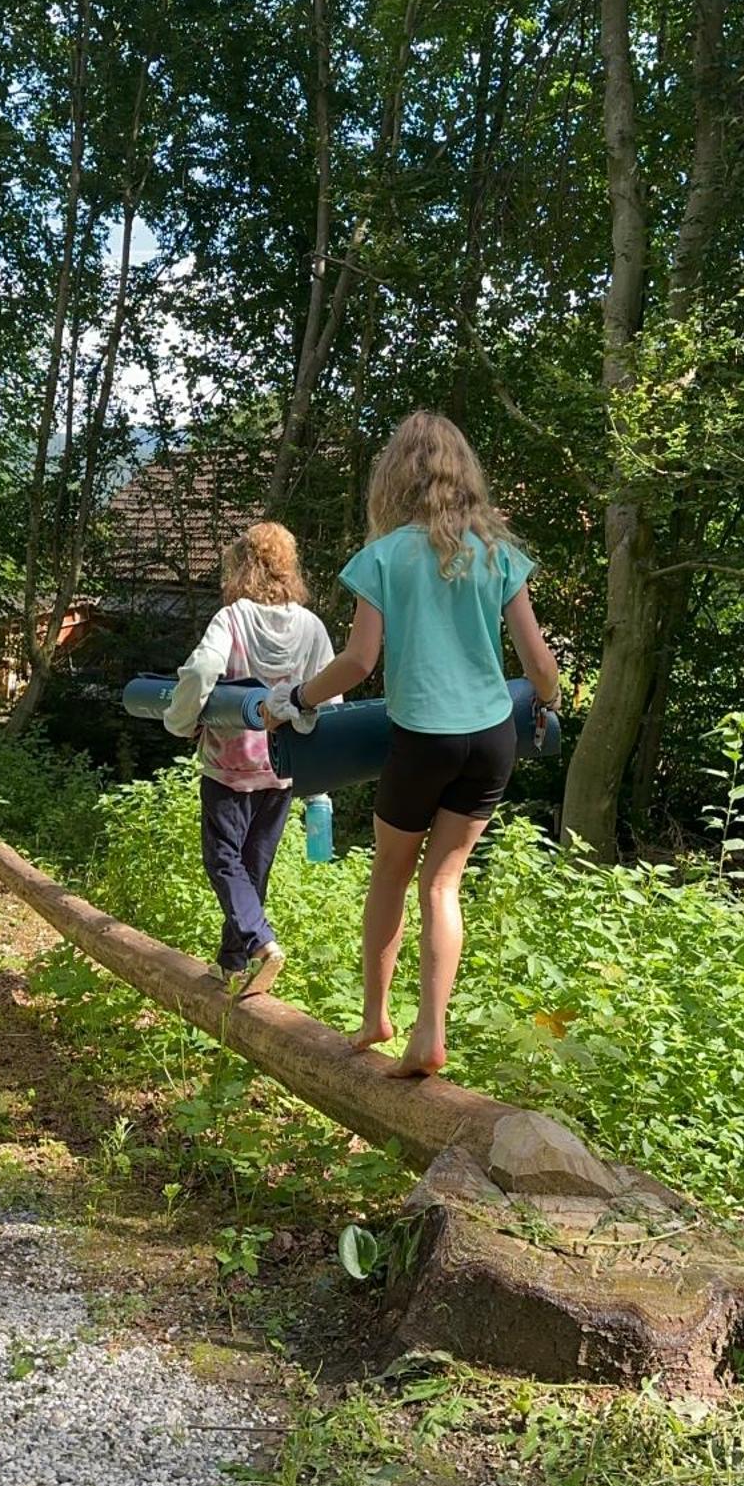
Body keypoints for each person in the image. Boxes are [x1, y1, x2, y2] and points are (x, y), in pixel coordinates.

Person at [266, 412, 559, 1076]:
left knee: (390, 877)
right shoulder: (497, 554)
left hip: (421, 739)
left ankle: (374, 1017)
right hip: (491, 738)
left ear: (395, 477)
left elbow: (358, 662)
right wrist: (550, 699)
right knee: (443, 885)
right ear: (464, 476)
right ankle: (430, 1031)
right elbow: (538, 664)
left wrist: (293, 703)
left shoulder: (384, 556)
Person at [164, 522, 335, 996]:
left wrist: (180, 723)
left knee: (223, 861)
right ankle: (232, 964)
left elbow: (200, 671)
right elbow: (332, 698)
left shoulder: (234, 617)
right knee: (252, 869)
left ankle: (259, 942)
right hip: (282, 769)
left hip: (229, 767)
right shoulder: (310, 626)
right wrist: (318, 777)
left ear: (242, 566)